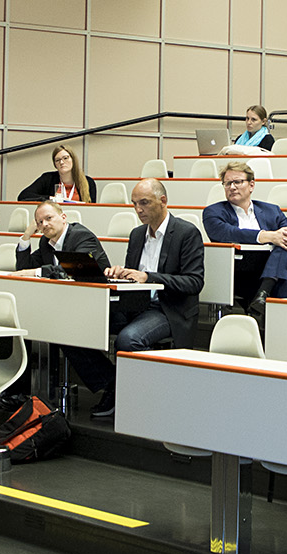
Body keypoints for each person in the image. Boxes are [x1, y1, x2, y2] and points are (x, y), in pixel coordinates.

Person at [62, 180, 203, 420]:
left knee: (128, 340)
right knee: (72, 330)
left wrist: (149, 277)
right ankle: (113, 384)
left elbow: (194, 282)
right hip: (134, 303)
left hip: (168, 308)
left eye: (144, 203)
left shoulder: (186, 233)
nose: (138, 209)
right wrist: (121, 274)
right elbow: (134, 275)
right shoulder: (137, 234)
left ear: (163, 201)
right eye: (135, 204)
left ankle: (141, 398)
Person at [202, 161, 287, 314]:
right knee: (284, 280)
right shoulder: (213, 212)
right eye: (227, 183)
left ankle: (264, 293)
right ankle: (266, 293)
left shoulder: (272, 210)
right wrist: (266, 236)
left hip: (269, 266)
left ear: (251, 185)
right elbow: (228, 233)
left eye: (237, 182)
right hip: (240, 272)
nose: (232, 187)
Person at [14, 198, 106, 274]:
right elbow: (24, 269)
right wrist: (26, 236)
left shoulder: (82, 236)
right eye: (40, 222)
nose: (44, 224)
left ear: (63, 218)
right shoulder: (45, 242)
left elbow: (76, 268)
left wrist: (36, 272)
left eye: (49, 218)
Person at [18, 145, 92, 204]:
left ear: (73, 159)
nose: (61, 162)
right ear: (55, 165)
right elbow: (23, 196)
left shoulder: (88, 182)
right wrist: (50, 199)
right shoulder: (48, 179)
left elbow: (92, 209)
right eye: (57, 160)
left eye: (65, 158)